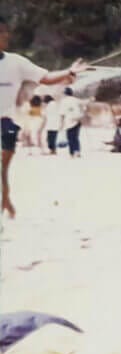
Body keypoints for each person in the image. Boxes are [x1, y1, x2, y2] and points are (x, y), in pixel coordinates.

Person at [0, 17, 86, 217]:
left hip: (5, 122)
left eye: (5, 32)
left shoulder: (16, 62)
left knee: (3, 168)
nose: (6, 36)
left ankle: (5, 199)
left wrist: (69, 72)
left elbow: (46, 78)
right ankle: (6, 201)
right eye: (1, 32)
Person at [61, 87, 86, 157]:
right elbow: (84, 106)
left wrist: (61, 123)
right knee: (76, 137)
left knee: (70, 137)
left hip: (69, 121)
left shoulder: (64, 101)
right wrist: (82, 114)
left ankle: (72, 152)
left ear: (65, 94)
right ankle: (77, 151)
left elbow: (62, 113)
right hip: (78, 120)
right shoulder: (76, 100)